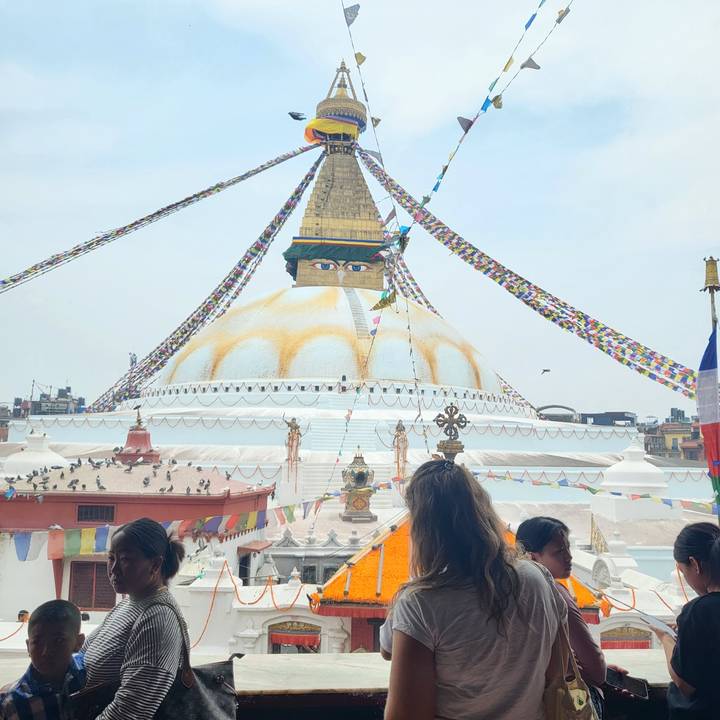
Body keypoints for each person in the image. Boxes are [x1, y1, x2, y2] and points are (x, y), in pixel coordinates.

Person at [383, 459, 566, 720]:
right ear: (483, 511)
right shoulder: (537, 577)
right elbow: (556, 671)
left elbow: (404, 712)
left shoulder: (421, 603)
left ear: (423, 528)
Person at [516, 516, 627, 718]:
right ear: (533, 557)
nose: (569, 557)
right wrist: (598, 668)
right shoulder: (556, 593)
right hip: (560, 704)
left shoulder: (512, 592)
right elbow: (596, 671)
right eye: (559, 551)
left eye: (567, 548)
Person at [81, 517, 187, 720]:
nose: (113, 570)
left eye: (125, 560)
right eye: (111, 558)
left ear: (155, 565)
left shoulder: (159, 619)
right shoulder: (128, 605)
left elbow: (130, 712)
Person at [652, 522, 720, 720]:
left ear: (695, 564)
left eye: (684, 572)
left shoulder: (698, 611)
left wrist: (666, 639)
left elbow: (686, 684)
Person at [0, 600, 86, 720]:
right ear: (28, 646)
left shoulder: (90, 673)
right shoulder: (10, 702)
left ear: (79, 642)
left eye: (58, 641)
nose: (46, 652)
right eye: (37, 642)